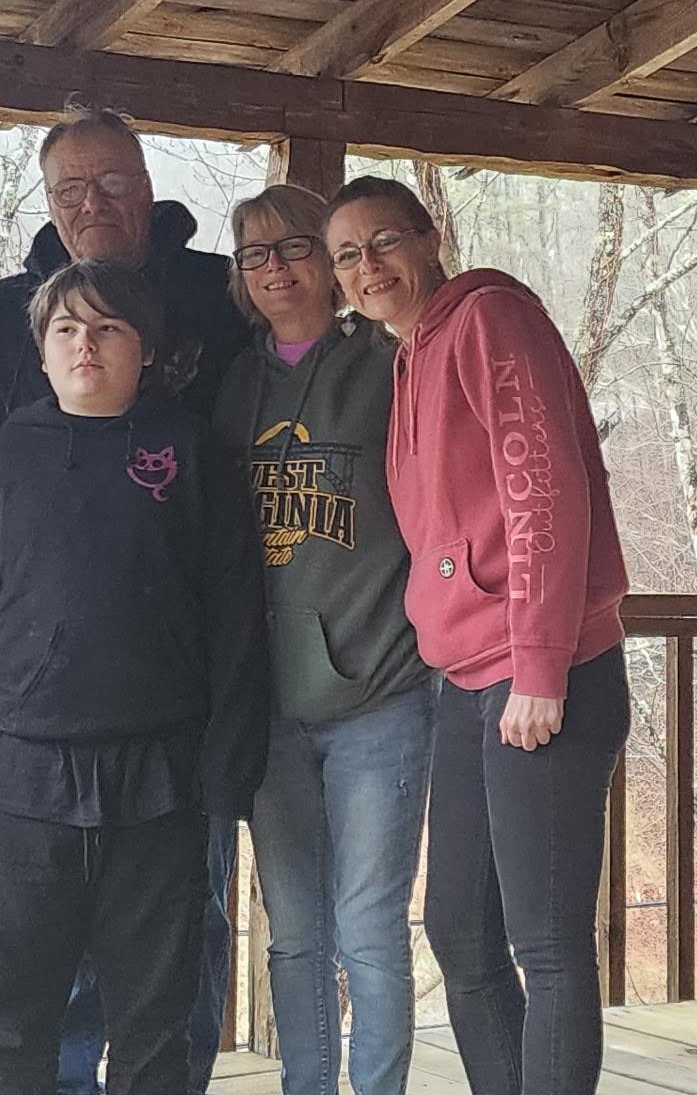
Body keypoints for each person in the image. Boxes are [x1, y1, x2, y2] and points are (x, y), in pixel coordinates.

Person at [0, 257, 269, 1095]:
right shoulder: (3, 460)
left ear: (145, 349)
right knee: (11, 1029)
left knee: (155, 1031)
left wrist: (228, 778)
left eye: (108, 328)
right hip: (25, 788)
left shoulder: (190, 452)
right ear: (41, 352)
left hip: (162, 787)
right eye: (67, 329)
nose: (86, 345)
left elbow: (236, 623)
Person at [321, 177, 631, 1095]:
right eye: (347, 256)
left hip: (541, 672)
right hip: (463, 677)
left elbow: (543, 490)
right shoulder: (410, 355)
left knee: (548, 940)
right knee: (460, 930)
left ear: (430, 236)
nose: (368, 266)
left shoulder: (490, 318)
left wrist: (539, 665)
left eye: (384, 241)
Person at [211, 186, 432, 1095]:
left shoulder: (389, 365)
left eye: (296, 247)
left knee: (370, 930)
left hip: (379, 695)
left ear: (333, 263)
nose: (276, 269)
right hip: (270, 709)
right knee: (295, 933)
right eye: (254, 255)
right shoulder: (231, 386)